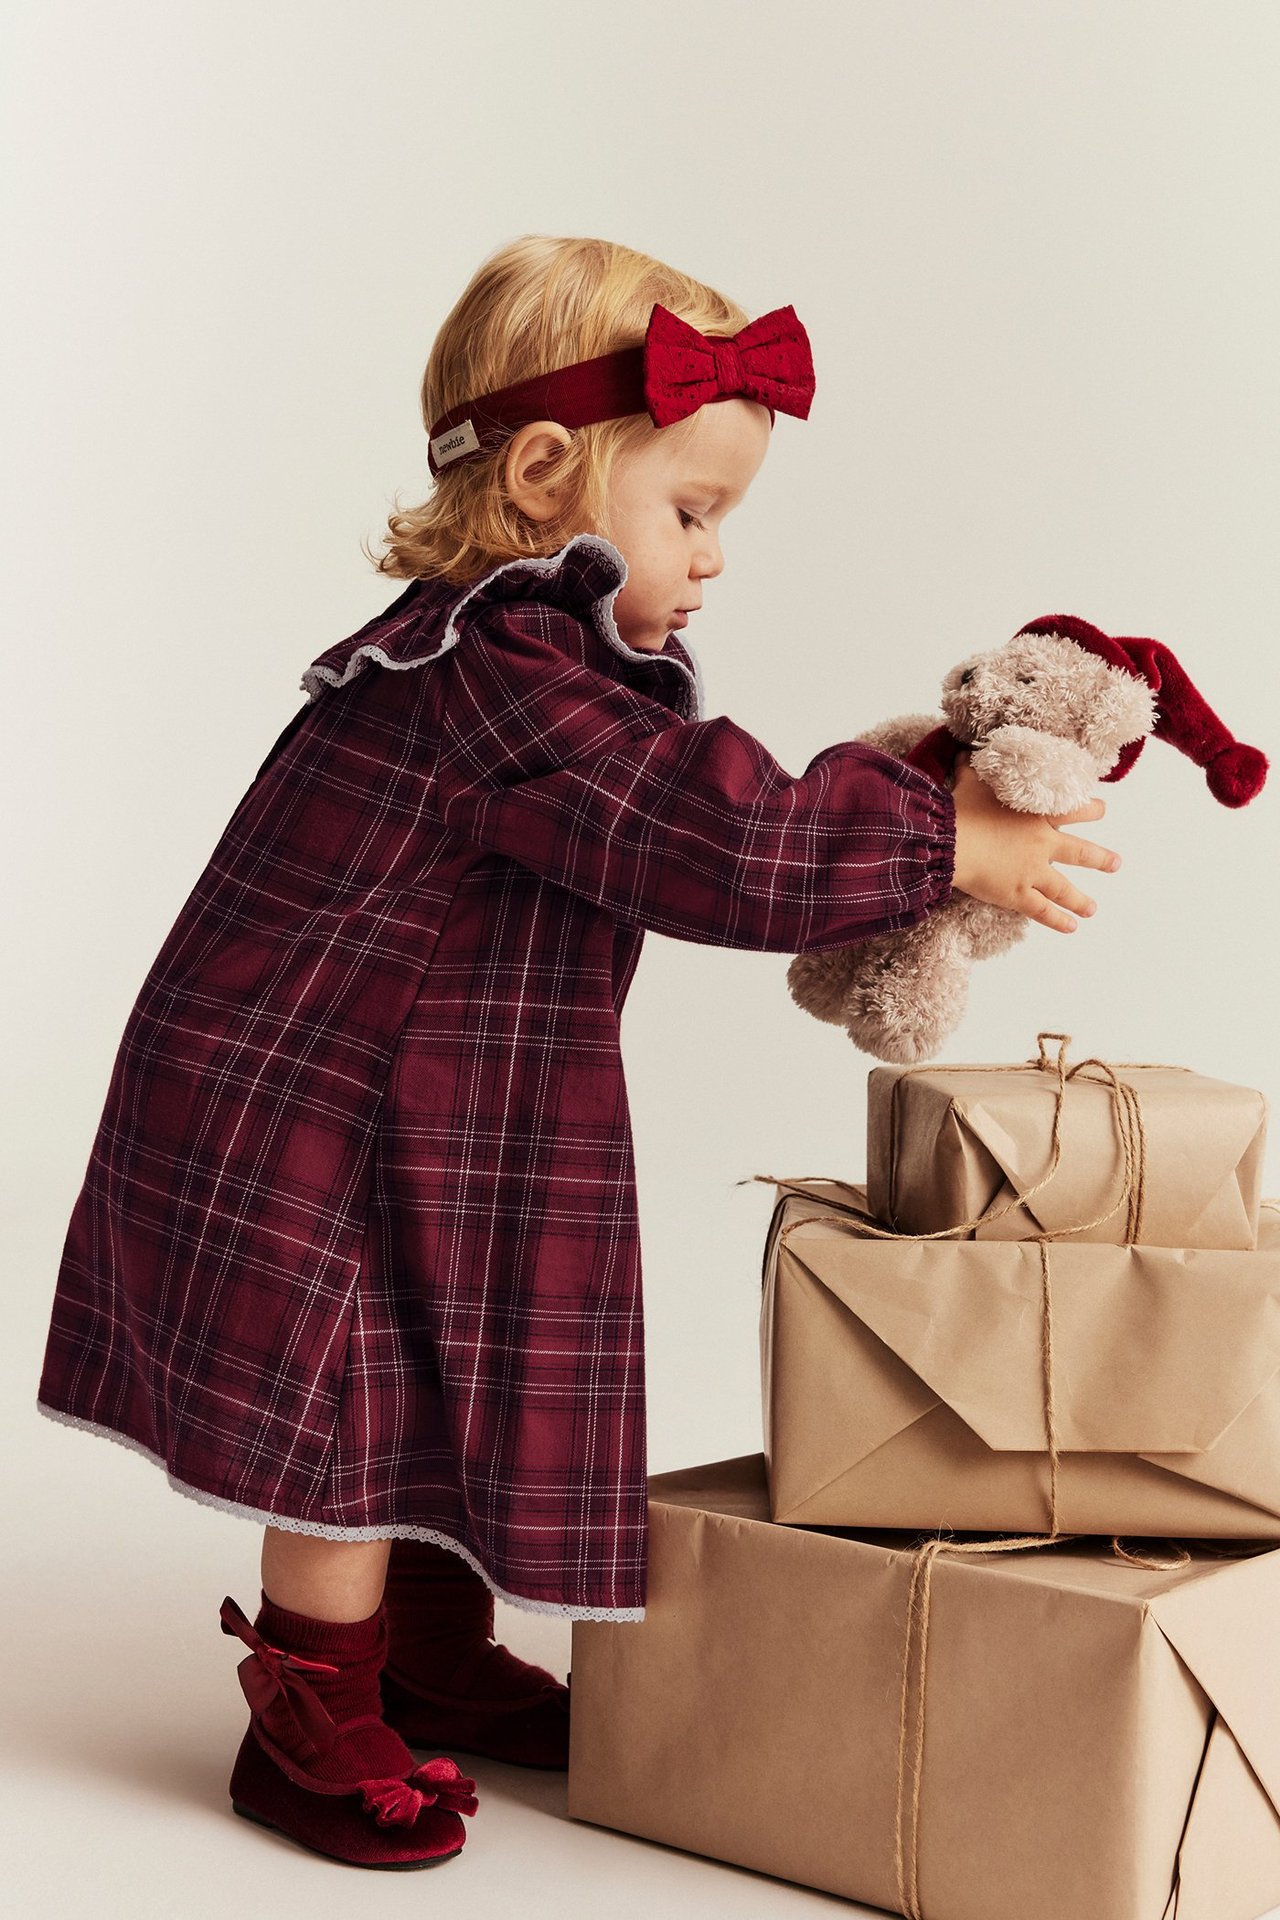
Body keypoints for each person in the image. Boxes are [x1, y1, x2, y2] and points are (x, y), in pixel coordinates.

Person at [35, 233, 1120, 1870]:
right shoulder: (499, 664)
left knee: (459, 1339)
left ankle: (417, 1647)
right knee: (352, 1385)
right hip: (314, 1091)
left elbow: (693, 805)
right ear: (546, 472)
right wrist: (938, 845)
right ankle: (310, 1701)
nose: (713, 558)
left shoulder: (539, 660)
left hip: (447, 1085)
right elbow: (705, 834)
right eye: (690, 512)